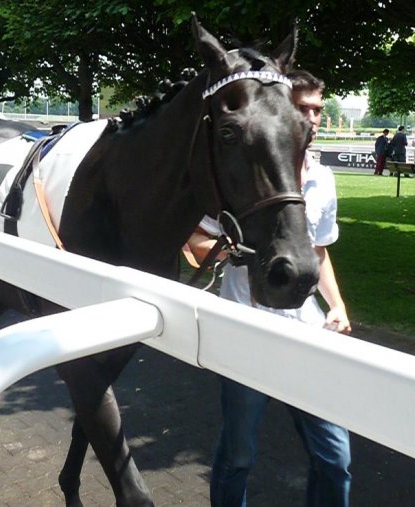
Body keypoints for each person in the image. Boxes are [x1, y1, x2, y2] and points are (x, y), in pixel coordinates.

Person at [188, 70, 352, 507]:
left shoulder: (323, 179)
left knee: (334, 457)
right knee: (239, 456)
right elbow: (194, 242)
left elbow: (317, 251)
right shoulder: (242, 174)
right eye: (304, 109)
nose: (314, 118)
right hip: (248, 331)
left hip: (308, 331)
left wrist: (336, 305)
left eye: (318, 109)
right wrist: (235, 247)